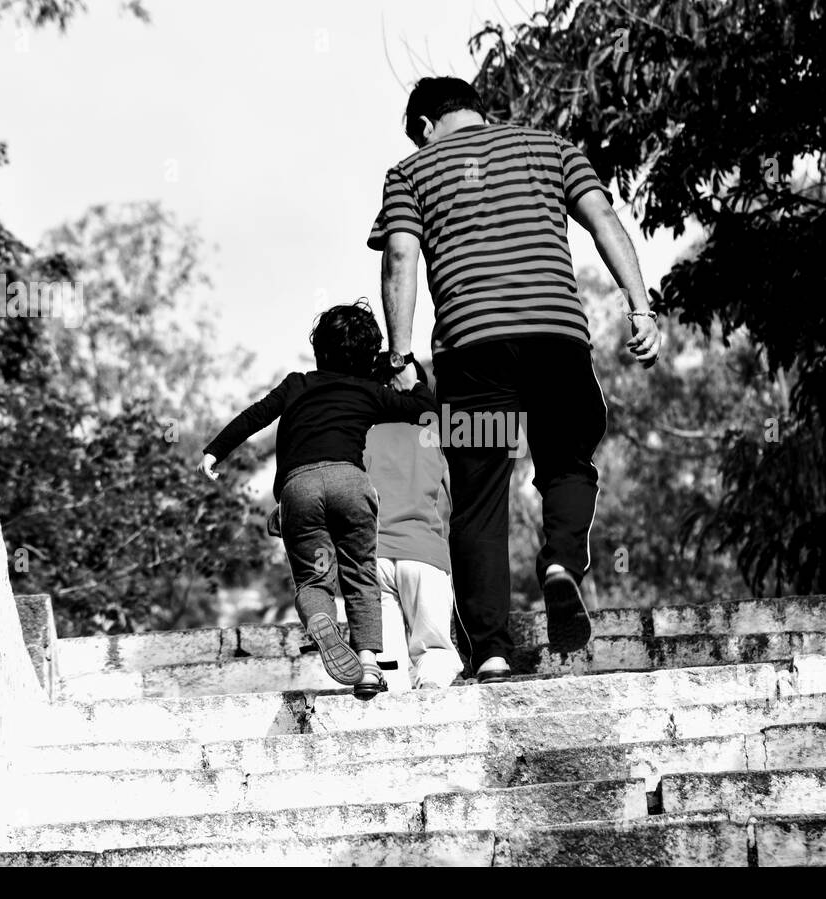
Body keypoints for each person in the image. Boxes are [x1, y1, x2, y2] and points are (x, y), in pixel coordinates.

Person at [368, 77, 661, 683]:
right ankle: (559, 564)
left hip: (472, 351)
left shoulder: (411, 171)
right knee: (568, 460)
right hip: (555, 337)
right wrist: (640, 307)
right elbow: (602, 216)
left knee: (477, 499)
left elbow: (400, 257)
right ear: (477, 109)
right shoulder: (549, 146)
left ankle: (494, 650)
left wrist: (399, 357)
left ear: (424, 126)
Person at [196, 300, 436, 700]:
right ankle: (370, 665)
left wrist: (213, 451)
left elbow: (255, 415)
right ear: (367, 357)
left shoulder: (296, 384)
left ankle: (322, 619)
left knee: (313, 579)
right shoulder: (370, 391)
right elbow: (424, 411)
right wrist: (409, 379)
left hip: (299, 490)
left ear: (318, 349)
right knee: (360, 574)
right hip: (351, 486)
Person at [364, 356, 462, 691]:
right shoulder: (434, 433)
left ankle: (394, 697)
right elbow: (459, 498)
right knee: (433, 650)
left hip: (372, 560)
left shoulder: (363, 436)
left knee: (388, 664)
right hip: (424, 554)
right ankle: (431, 692)